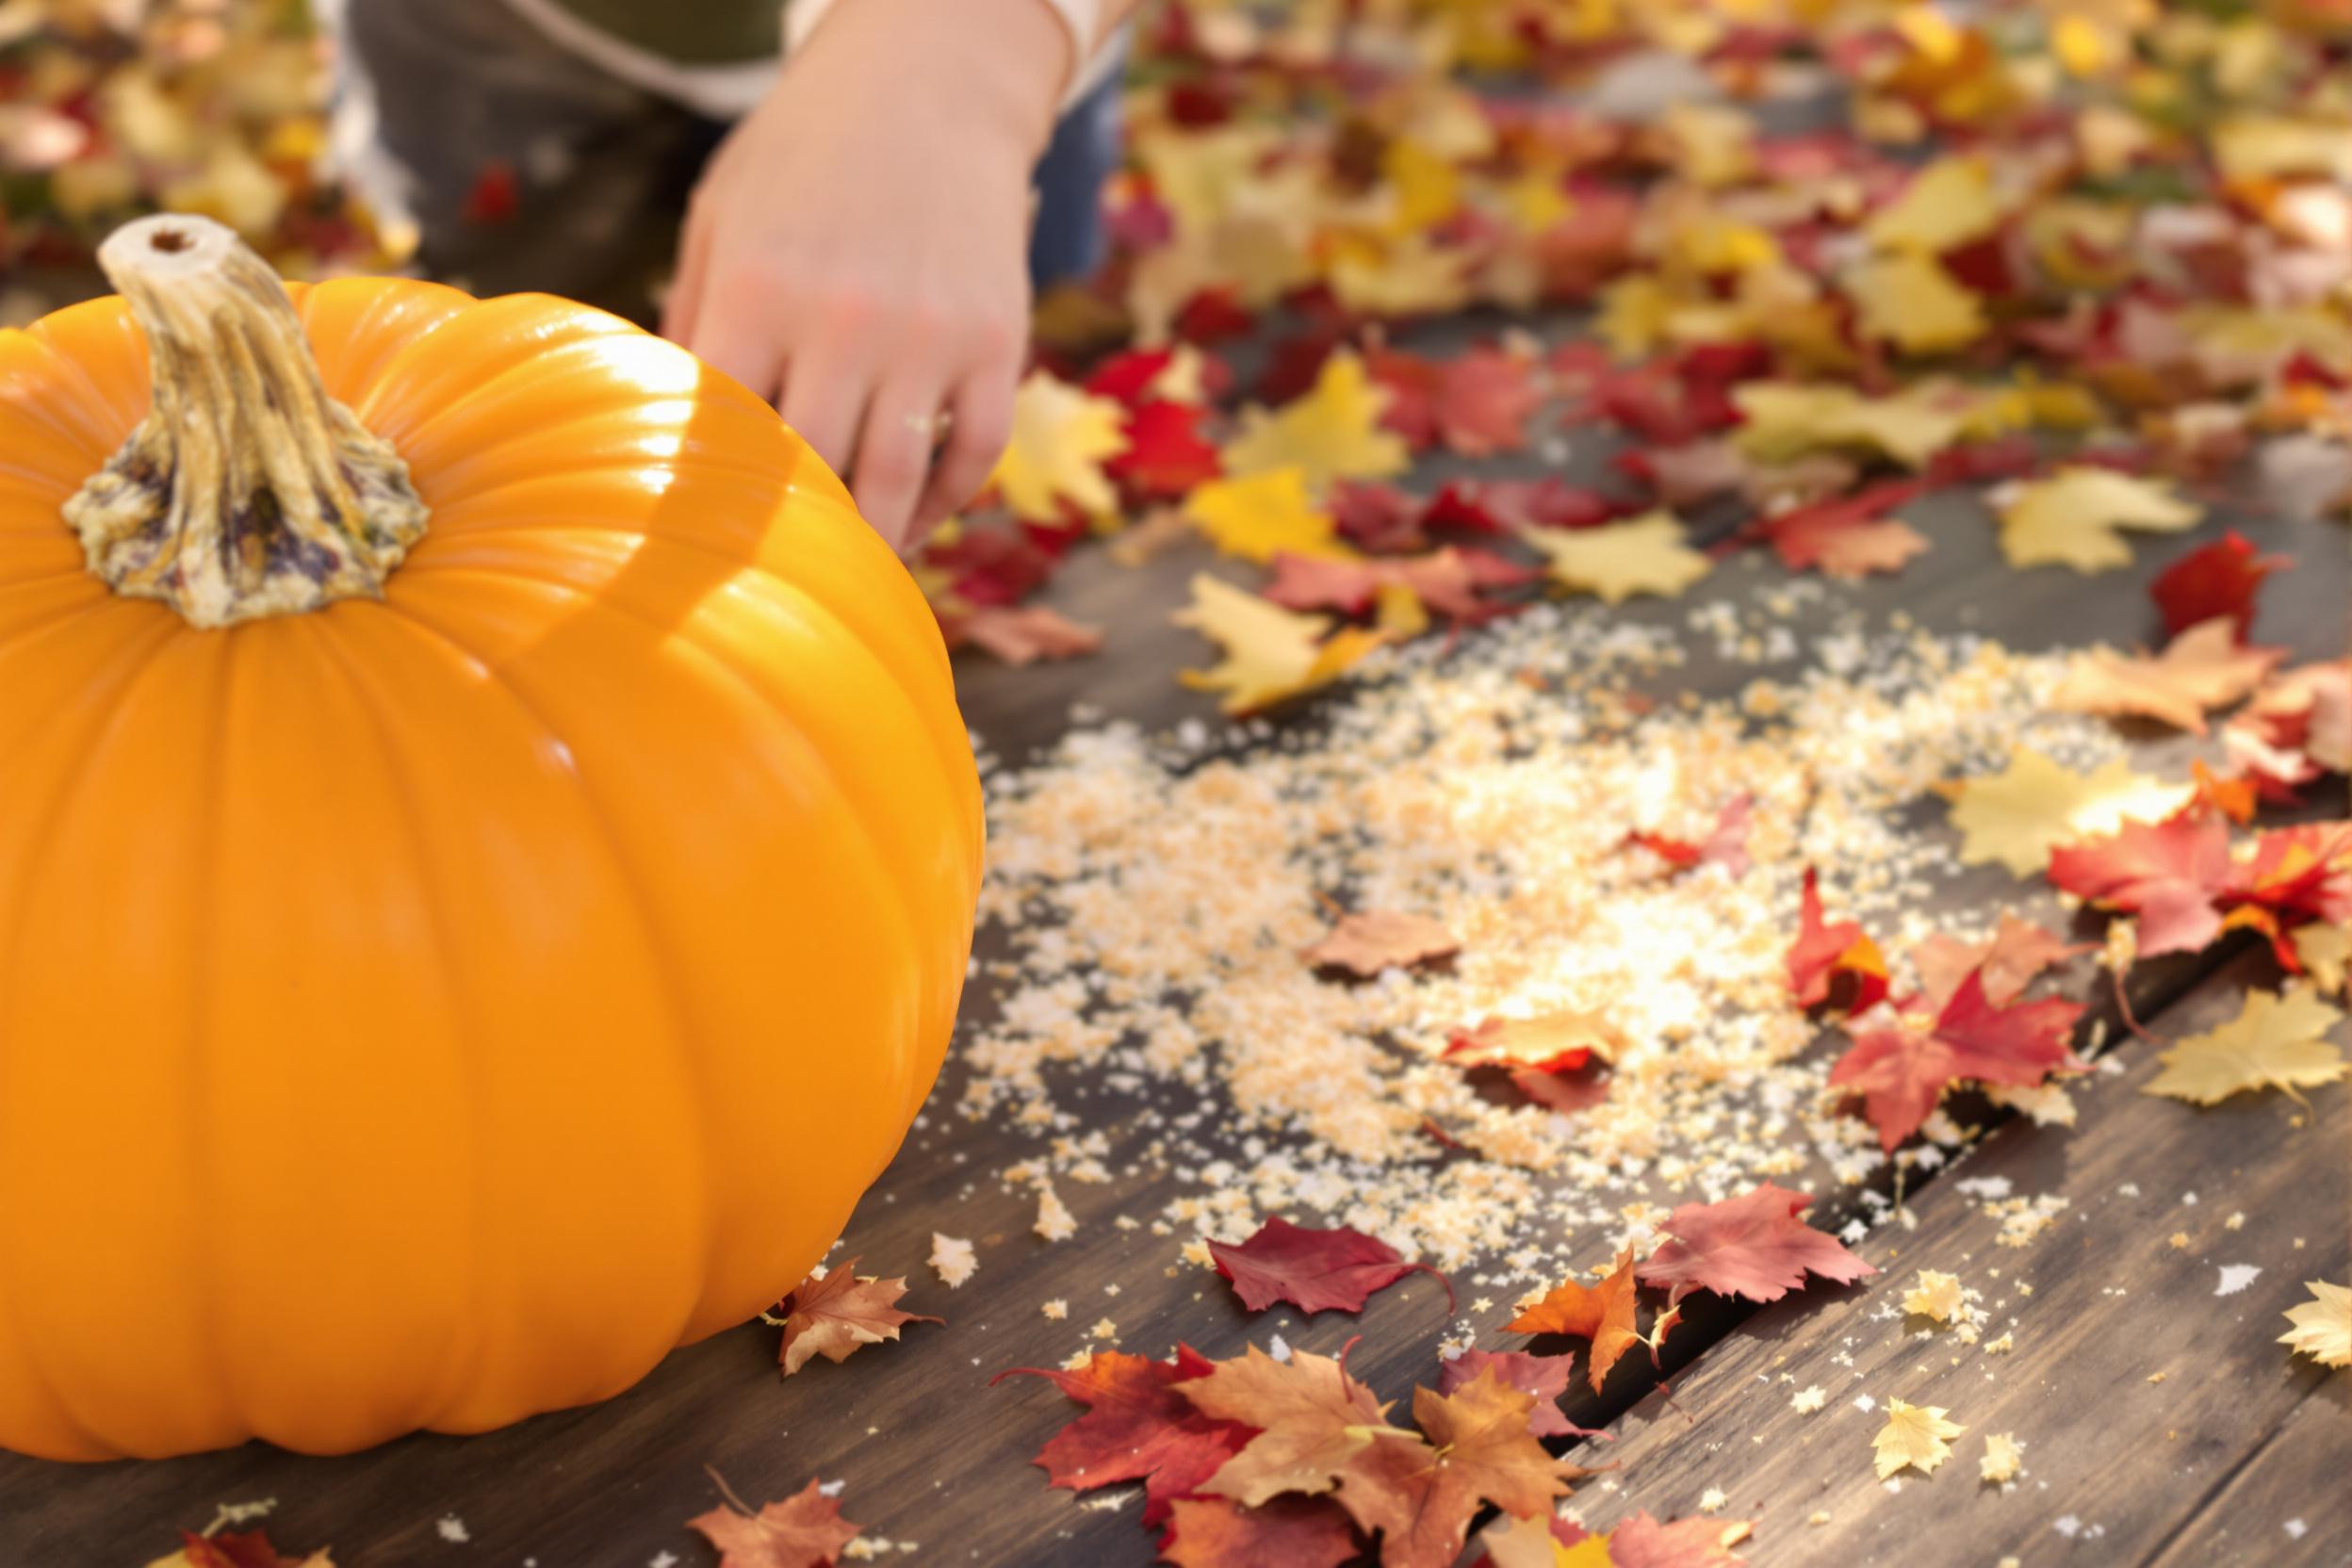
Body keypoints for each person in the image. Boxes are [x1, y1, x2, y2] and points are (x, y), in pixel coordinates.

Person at [335, 0, 1140, 553]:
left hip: (988, 46)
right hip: (518, 31)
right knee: (519, 423)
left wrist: (961, 72)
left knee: (955, 400)